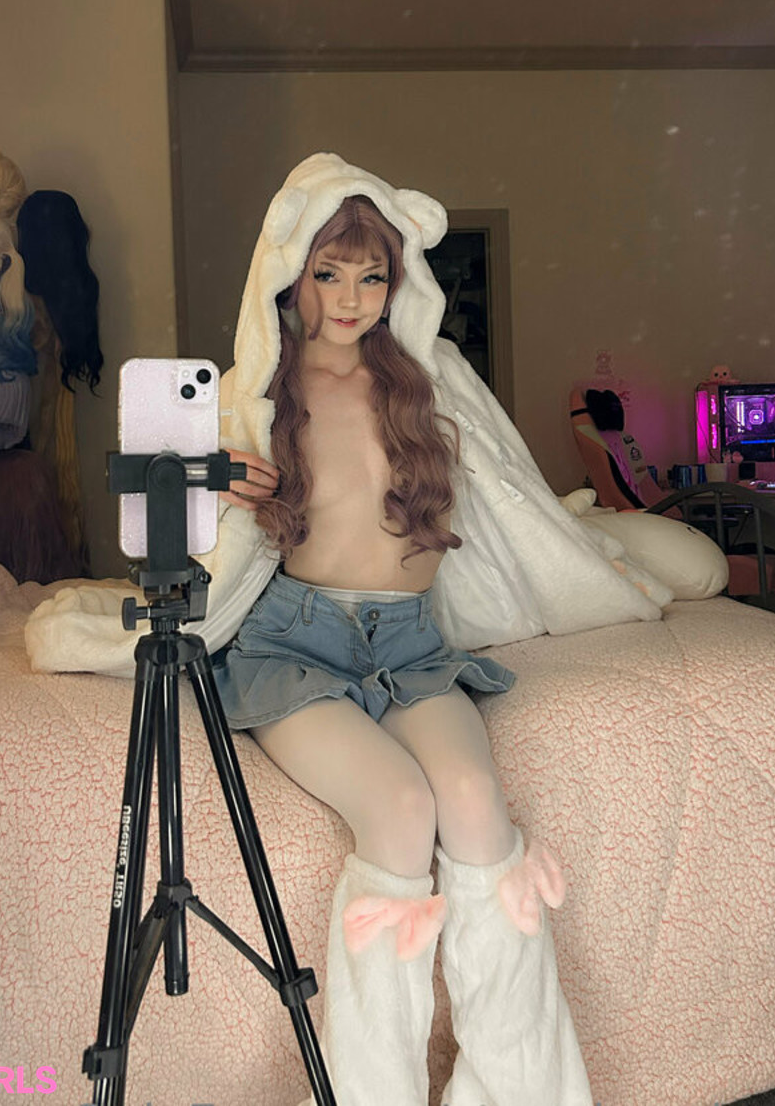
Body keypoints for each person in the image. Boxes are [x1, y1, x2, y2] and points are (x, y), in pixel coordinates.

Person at [195, 155, 670, 1106]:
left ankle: (520, 1092)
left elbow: (507, 495)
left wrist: (582, 564)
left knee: (476, 801)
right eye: (329, 272)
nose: (351, 298)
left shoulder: (426, 377)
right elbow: (183, 519)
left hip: (410, 642)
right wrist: (214, 474)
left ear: (397, 282)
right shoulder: (255, 388)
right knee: (401, 808)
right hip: (295, 643)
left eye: (372, 276)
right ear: (291, 273)